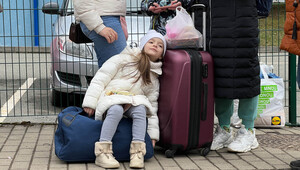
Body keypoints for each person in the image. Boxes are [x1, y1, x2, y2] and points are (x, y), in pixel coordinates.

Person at [81, 30, 166, 169]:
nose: (155, 45)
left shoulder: (154, 76)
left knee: (141, 109)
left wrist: (152, 133)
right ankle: (103, 153)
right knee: (116, 109)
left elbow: (152, 105)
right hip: (112, 96)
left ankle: (137, 152)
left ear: (162, 55)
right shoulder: (124, 59)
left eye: (160, 45)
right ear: (143, 45)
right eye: (151, 42)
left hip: (133, 101)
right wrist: (91, 102)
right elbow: (100, 79)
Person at [208, 0, 260, 153]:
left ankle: (249, 130)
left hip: (243, 18)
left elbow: (264, 5)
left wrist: (261, 8)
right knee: (220, 74)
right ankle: (224, 129)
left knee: (246, 73)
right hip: (214, 19)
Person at [73, 0, 127, 68]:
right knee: (122, 67)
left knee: (109, 70)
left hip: (106, 17)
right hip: (102, 19)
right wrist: (99, 27)